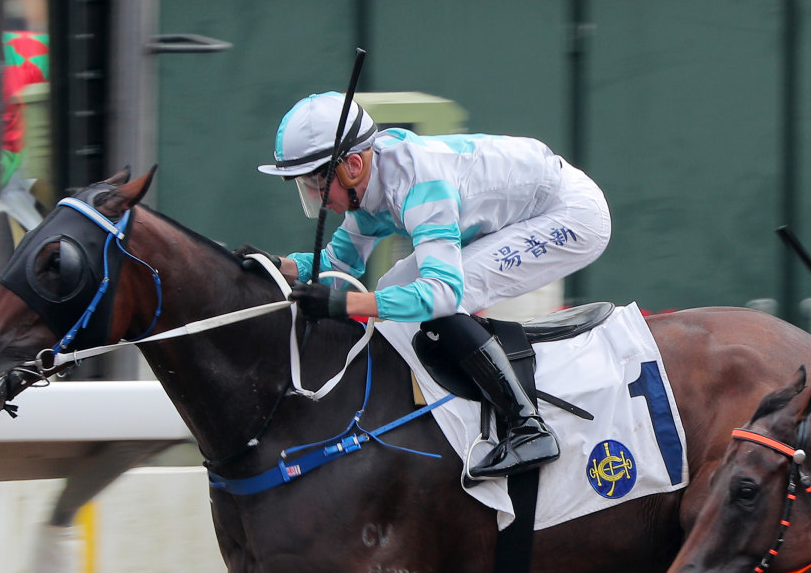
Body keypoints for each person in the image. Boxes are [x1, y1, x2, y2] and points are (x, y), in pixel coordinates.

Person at [245, 92, 613, 478]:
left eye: (317, 185)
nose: (317, 198)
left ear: (353, 165)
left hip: (569, 214)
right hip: (526, 208)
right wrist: (277, 266)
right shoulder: (370, 180)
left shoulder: (420, 186)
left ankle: (528, 428)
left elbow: (442, 294)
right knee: (392, 286)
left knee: (440, 299)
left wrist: (343, 305)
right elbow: (337, 264)